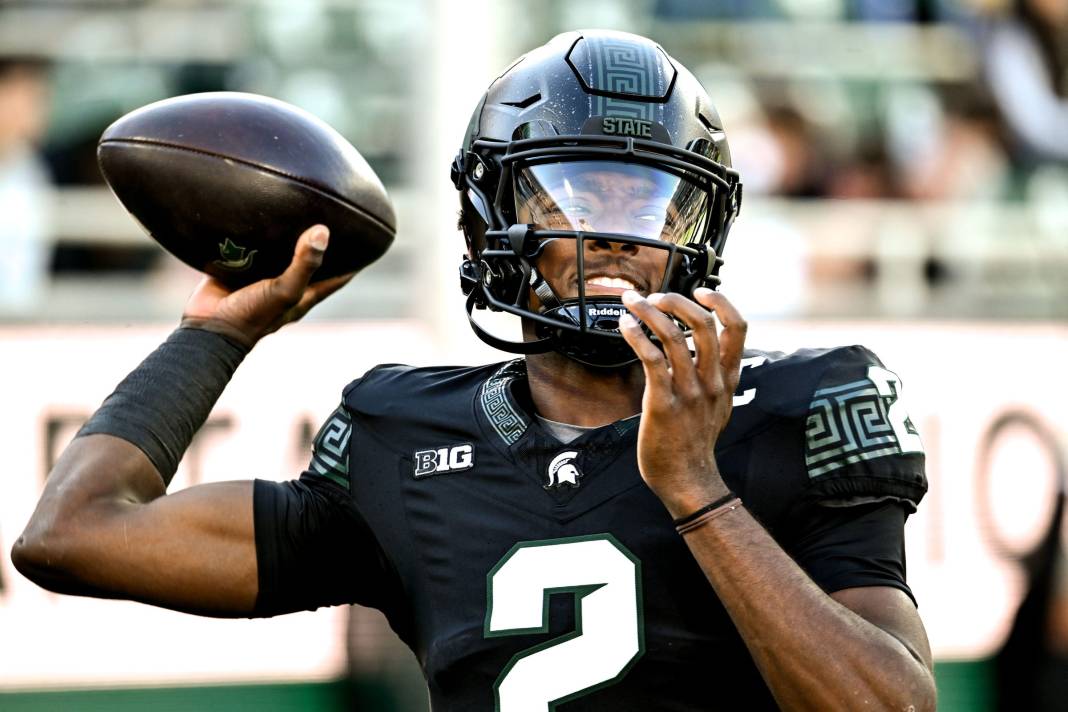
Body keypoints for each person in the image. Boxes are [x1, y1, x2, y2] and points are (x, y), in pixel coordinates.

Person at [12, 30, 936, 710]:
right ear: (488, 224)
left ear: (698, 234)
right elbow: (73, 535)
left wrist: (697, 488)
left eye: (651, 202)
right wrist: (216, 333)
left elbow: (889, 707)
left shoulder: (800, 407)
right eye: (569, 194)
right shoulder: (399, 438)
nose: (612, 232)